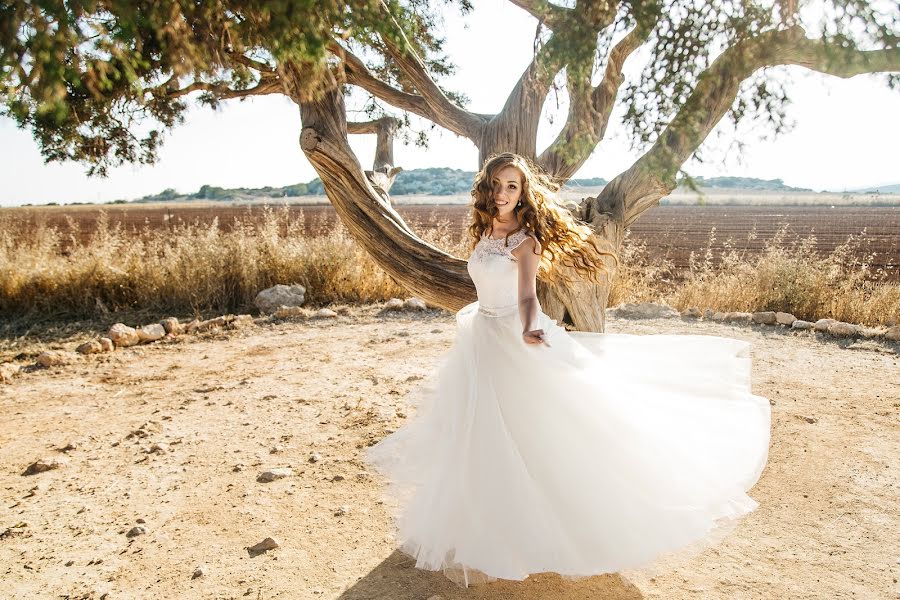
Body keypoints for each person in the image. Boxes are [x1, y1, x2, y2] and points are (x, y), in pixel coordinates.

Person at [365, 152, 771, 588]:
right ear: (487, 186)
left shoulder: (525, 241)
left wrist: (530, 332)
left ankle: (560, 523)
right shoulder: (486, 229)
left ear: (523, 194)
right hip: (480, 333)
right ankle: (491, 521)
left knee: (539, 429)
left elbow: (526, 296)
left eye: (513, 186)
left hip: (513, 334)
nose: (503, 193)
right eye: (498, 184)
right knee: (481, 430)